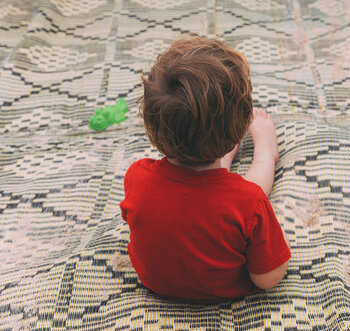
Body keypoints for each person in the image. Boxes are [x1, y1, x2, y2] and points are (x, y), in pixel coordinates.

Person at [120, 37, 291, 303]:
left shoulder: (137, 176)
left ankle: (223, 157)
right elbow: (267, 278)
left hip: (156, 282)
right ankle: (265, 154)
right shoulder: (250, 202)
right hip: (225, 290)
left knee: (231, 199)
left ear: (152, 125)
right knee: (245, 199)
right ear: (238, 125)